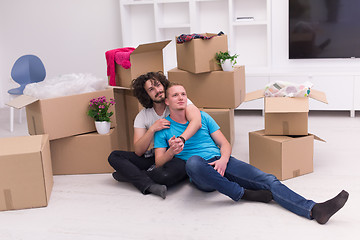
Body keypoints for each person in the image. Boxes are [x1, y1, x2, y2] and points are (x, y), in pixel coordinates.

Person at [154, 82, 349, 224]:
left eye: (183, 94)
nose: (180, 98)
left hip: (223, 162)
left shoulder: (203, 117)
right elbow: (159, 161)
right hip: (202, 173)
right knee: (193, 163)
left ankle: (314, 209)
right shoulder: (165, 129)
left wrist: (223, 159)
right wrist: (172, 150)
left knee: (268, 179)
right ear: (167, 101)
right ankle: (242, 193)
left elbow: (224, 143)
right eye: (175, 95)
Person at [108, 72, 201, 199]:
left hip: (180, 155)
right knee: (114, 156)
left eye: (158, 85)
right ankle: (149, 185)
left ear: (164, 85)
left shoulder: (180, 101)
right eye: (151, 89)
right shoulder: (143, 116)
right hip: (158, 154)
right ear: (146, 95)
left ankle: (130, 175)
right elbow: (139, 151)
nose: (157, 90)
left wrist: (181, 140)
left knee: (165, 176)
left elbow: (197, 122)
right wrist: (152, 129)